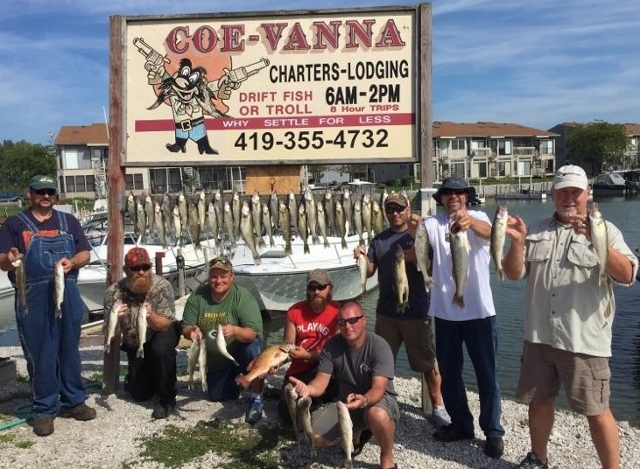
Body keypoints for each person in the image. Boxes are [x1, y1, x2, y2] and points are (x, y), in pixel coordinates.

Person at [502, 165, 638, 469]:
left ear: (587, 194)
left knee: (597, 409)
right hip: (539, 336)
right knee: (539, 401)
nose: (569, 198)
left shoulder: (607, 229)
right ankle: (538, 457)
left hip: (584, 340)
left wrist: (596, 239)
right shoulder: (535, 229)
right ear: (552, 194)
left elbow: (628, 274)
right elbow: (513, 274)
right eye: (562, 191)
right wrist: (518, 242)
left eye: (575, 192)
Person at [410, 175, 505, 459]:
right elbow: (417, 247)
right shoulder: (432, 223)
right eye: (448, 193)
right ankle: (462, 424)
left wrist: (470, 223)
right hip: (444, 312)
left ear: (467, 197)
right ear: (440, 199)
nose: (454, 197)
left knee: (487, 374)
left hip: (480, 312)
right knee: (449, 374)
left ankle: (493, 430)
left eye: (459, 193)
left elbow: (491, 232)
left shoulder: (478, 217)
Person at [0, 175, 95, 436]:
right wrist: (10, 259)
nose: (45, 196)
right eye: (40, 191)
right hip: (33, 295)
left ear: (54, 194)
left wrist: (73, 263)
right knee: (41, 352)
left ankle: (74, 401)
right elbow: (3, 262)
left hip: (68, 292)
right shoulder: (15, 224)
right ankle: (44, 409)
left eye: (49, 191)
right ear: (29, 193)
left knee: (69, 349)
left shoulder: (69, 221)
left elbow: (85, 253)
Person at [354, 191, 450, 429]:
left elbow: (432, 267)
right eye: (390, 210)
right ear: (385, 214)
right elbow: (369, 272)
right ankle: (384, 402)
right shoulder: (379, 240)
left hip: (416, 311)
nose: (395, 213)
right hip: (386, 312)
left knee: (427, 361)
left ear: (408, 209)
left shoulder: (420, 236)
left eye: (399, 208)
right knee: (380, 361)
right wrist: (362, 258)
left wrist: (414, 257)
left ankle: (437, 406)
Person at [290, 301, 399, 469]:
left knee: (376, 414)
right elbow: (320, 382)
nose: (348, 326)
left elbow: (378, 388)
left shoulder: (379, 346)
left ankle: (387, 456)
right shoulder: (331, 346)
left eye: (353, 320)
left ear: (364, 320)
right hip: (345, 405)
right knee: (315, 437)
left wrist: (363, 400)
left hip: (377, 400)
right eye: (342, 322)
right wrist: (308, 389)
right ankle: (357, 433)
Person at [180, 256, 265, 424]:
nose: (218, 280)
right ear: (208, 276)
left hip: (239, 354)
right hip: (217, 362)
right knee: (218, 395)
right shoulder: (198, 295)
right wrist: (192, 331)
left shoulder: (243, 296)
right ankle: (236, 380)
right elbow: (185, 328)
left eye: (223, 276)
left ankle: (256, 398)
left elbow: (252, 334)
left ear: (231, 277)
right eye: (214, 276)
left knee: (253, 346)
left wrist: (235, 330)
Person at [103, 247, 179, 419]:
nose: (142, 272)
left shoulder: (162, 286)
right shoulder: (113, 292)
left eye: (146, 267)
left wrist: (151, 316)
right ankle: (146, 375)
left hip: (159, 332)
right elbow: (111, 333)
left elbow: (166, 323)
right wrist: (116, 320)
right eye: (136, 268)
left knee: (161, 348)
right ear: (126, 270)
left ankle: (165, 397)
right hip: (134, 342)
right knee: (140, 395)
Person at [276, 268, 340, 424]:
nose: (316, 292)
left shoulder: (339, 312)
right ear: (307, 290)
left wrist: (309, 356)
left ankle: (323, 400)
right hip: (299, 370)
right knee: (286, 415)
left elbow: (338, 352)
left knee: (311, 413)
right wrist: (276, 363)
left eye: (321, 287)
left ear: (330, 288)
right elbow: (287, 346)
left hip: (326, 369)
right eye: (312, 288)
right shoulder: (294, 311)